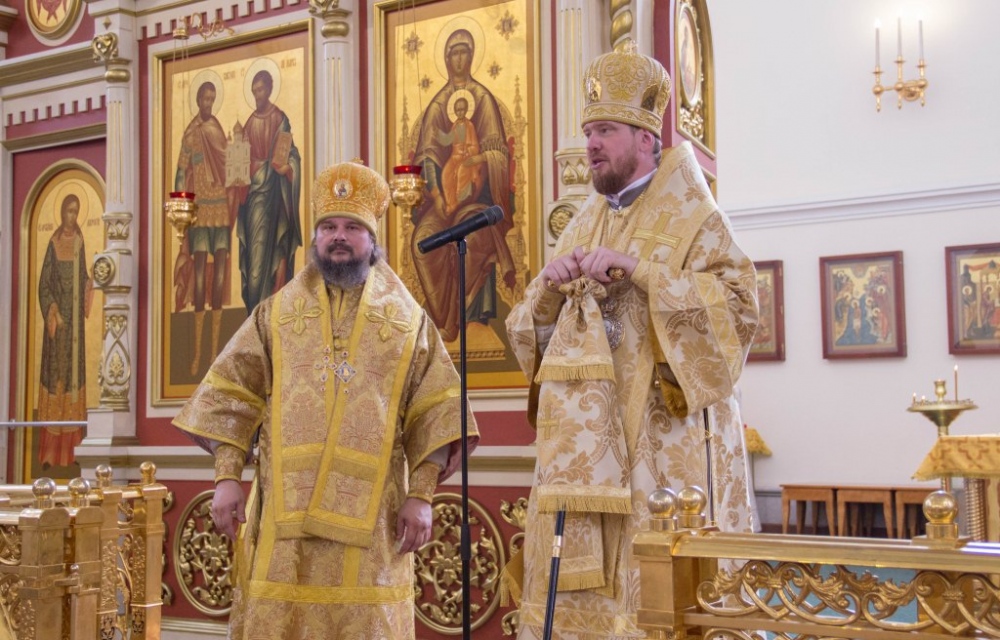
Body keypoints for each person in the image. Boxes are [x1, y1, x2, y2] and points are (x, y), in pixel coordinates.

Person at [504, 40, 758, 639]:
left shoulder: (696, 218)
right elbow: (529, 336)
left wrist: (642, 273)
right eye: (588, 131)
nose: (591, 144)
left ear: (646, 139)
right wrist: (547, 290)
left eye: (606, 131)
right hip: (586, 451)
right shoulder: (583, 223)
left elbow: (740, 309)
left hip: (662, 445)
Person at [173, 161, 479, 639]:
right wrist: (227, 478)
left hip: (372, 526)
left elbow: (436, 411)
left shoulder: (407, 320)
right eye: (329, 227)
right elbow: (230, 396)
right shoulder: (275, 314)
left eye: (352, 227)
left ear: (372, 239)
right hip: (284, 524)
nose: (339, 237)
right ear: (315, 238)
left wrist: (421, 496)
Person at [411, 28, 516, 343]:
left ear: (471, 56)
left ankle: (462, 318)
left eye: (464, 52)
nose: (459, 59)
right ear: (446, 59)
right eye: (453, 53)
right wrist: (437, 196)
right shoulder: (437, 106)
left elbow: (498, 154)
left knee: (470, 242)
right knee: (421, 243)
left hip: (477, 200)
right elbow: (427, 155)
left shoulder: (481, 99)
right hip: (443, 199)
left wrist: (478, 161)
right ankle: (441, 320)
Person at [174, 80, 238, 375]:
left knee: (220, 277)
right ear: (198, 100)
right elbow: (180, 170)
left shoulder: (217, 129)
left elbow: (230, 163)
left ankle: (216, 353)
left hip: (220, 208)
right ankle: (198, 353)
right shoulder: (190, 134)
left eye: (212, 98)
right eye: (205, 98)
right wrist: (181, 205)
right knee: (200, 277)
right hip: (200, 211)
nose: (209, 103)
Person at [236, 68, 303, 314]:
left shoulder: (280, 119)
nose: (257, 95)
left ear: (269, 89)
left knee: (275, 252)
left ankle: (272, 314)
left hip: (275, 198)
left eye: (261, 89)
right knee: (254, 265)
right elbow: (239, 161)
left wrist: (287, 168)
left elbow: (292, 155)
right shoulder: (249, 123)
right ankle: (255, 315)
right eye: (254, 91)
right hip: (253, 200)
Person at [37, 193, 94, 469]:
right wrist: (54, 311)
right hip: (57, 327)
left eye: (75, 211)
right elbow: (44, 284)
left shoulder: (80, 241)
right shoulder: (53, 243)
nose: (72, 216)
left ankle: (72, 454)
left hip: (75, 332)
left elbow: (82, 276)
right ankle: (49, 455)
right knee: (56, 382)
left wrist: (90, 283)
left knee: (73, 384)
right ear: (61, 213)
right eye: (68, 211)